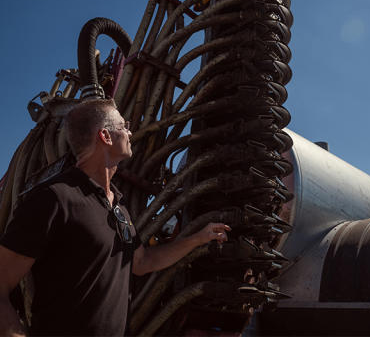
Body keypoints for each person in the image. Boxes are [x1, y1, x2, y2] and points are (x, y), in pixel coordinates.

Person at [0, 98, 231, 336]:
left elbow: (142, 263)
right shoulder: (54, 198)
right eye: (123, 126)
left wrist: (197, 239)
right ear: (106, 137)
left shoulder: (118, 207)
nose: (130, 132)